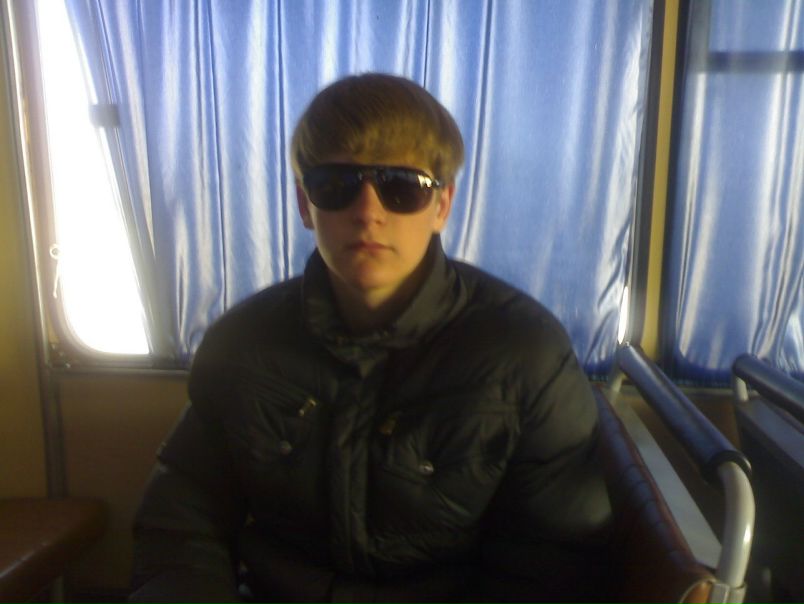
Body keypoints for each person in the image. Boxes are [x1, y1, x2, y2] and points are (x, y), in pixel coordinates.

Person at [130, 73, 613, 603]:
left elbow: (551, 562)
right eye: (335, 185)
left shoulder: (526, 357)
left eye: (402, 186)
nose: (367, 212)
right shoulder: (242, 345)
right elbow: (182, 521)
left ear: (442, 206)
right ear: (305, 204)